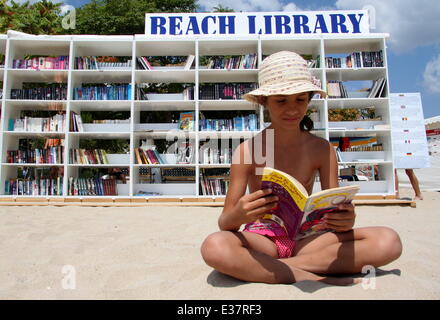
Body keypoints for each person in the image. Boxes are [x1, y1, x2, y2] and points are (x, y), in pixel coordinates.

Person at [200, 51, 403, 286]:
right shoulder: (247, 151)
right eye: (281, 100)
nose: (292, 109)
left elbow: (334, 205)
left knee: (389, 241)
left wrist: (345, 218)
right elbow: (225, 223)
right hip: (264, 237)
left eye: (300, 99)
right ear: (265, 101)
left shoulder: (322, 149)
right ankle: (311, 272)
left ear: (309, 99)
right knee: (215, 246)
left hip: (311, 239)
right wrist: (239, 214)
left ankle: (281, 269)